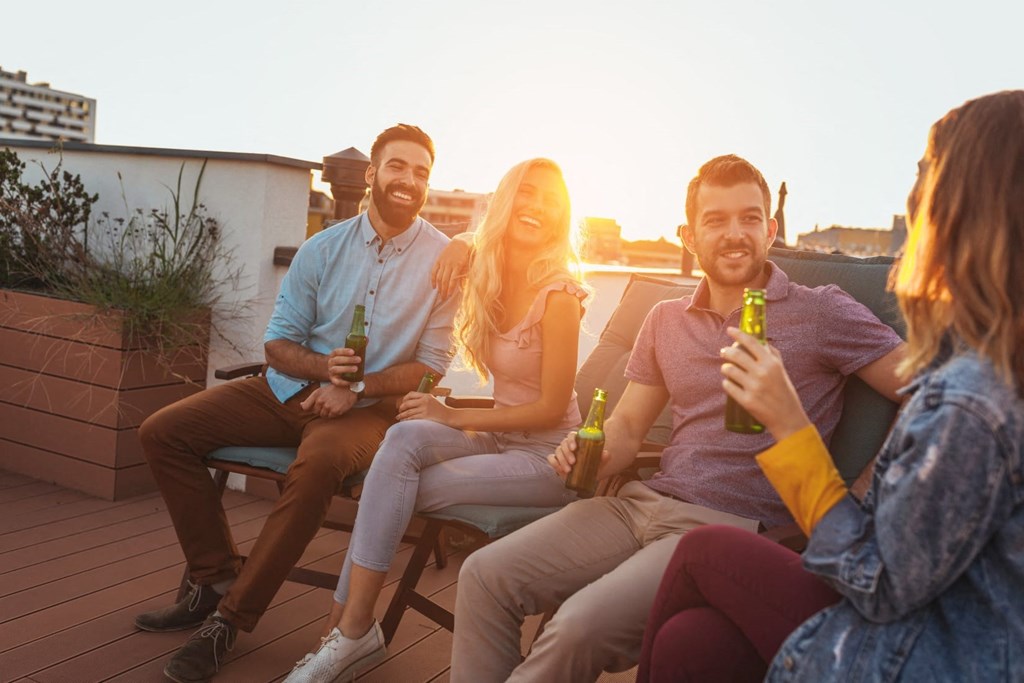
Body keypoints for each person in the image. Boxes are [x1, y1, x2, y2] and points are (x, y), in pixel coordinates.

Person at [451, 154, 907, 682]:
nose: (735, 234)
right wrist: (586, 451)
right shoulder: (664, 319)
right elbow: (624, 432)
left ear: (771, 229)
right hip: (638, 503)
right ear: (688, 236)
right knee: (483, 575)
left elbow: (929, 393)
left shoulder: (822, 310)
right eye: (716, 220)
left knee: (577, 626)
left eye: (750, 218)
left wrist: (861, 491)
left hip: (726, 529)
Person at [638, 90, 1024, 682]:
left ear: (965, 203)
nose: (913, 195)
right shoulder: (986, 371)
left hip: (925, 650)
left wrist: (788, 423)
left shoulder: (972, 397)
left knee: (702, 552)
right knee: (693, 642)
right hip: (942, 610)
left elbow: (875, 581)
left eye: (926, 174)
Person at [134, 124, 459, 683]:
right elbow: (277, 344)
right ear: (372, 174)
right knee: (162, 431)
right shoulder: (322, 248)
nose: (410, 180)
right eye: (398, 166)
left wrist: (354, 387)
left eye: (422, 172)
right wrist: (322, 371)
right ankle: (214, 579)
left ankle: (229, 621)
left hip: (369, 412)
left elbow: (432, 364)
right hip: (287, 390)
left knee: (317, 467)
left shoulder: (444, 261)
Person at [280, 157, 588, 682]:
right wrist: (464, 241)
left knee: (391, 486)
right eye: (528, 193)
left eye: (551, 202)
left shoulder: (558, 296)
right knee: (400, 441)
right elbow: (476, 236)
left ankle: (345, 632)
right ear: (508, 198)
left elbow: (553, 409)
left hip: (546, 460)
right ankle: (350, 632)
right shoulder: (491, 272)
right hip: (499, 441)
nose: (537, 208)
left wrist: (451, 414)